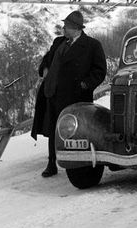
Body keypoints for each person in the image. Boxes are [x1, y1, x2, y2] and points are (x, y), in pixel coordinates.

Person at [31, 10, 107, 178]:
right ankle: (52, 163)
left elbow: (100, 71)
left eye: (66, 26)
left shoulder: (92, 45)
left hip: (75, 97)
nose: (63, 29)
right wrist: (44, 68)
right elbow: (47, 59)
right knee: (53, 129)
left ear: (75, 28)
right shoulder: (58, 42)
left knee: (74, 131)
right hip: (53, 93)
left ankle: (77, 165)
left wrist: (85, 84)